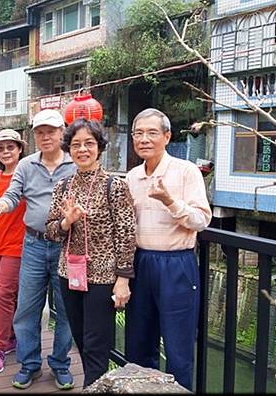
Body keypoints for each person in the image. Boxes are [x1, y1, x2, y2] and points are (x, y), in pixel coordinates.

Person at [0, 109, 77, 390]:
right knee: (27, 308)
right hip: (34, 244)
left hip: (67, 244)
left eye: (51, 131)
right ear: (33, 135)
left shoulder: (76, 164)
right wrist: (1, 206)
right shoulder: (26, 165)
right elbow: (13, 194)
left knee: (65, 309)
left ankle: (61, 364)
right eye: (40, 132)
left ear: (62, 132)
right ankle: (30, 365)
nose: (45, 136)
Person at [45, 118, 137, 389]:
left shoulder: (114, 185)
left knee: (97, 344)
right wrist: (66, 222)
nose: (82, 149)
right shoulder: (63, 186)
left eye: (89, 143)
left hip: (102, 276)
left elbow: (126, 232)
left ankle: (92, 386)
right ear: (69, 149)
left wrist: (123, 278)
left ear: (99, 147)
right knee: (81, 340)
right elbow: (50, 230)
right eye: (76, 145)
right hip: (68, 272)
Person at [125, 108, 212, 391]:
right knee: (139, 342)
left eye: (152, 133)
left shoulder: (186, 171)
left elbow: (201, 220)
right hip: (140, 262)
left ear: (167, 136)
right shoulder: (132, 176)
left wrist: (169, 201)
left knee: (177, 347)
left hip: (177, 264)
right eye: (138, 133)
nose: (144, 139)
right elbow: (127, 227)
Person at [0, 129, 27, 375]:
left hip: (18, 245)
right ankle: (11, 337)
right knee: (10, 293)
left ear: (20, 149)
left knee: (2, 294)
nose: (6, 152)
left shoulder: (28, 175)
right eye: (1, 148)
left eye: (11, 147)